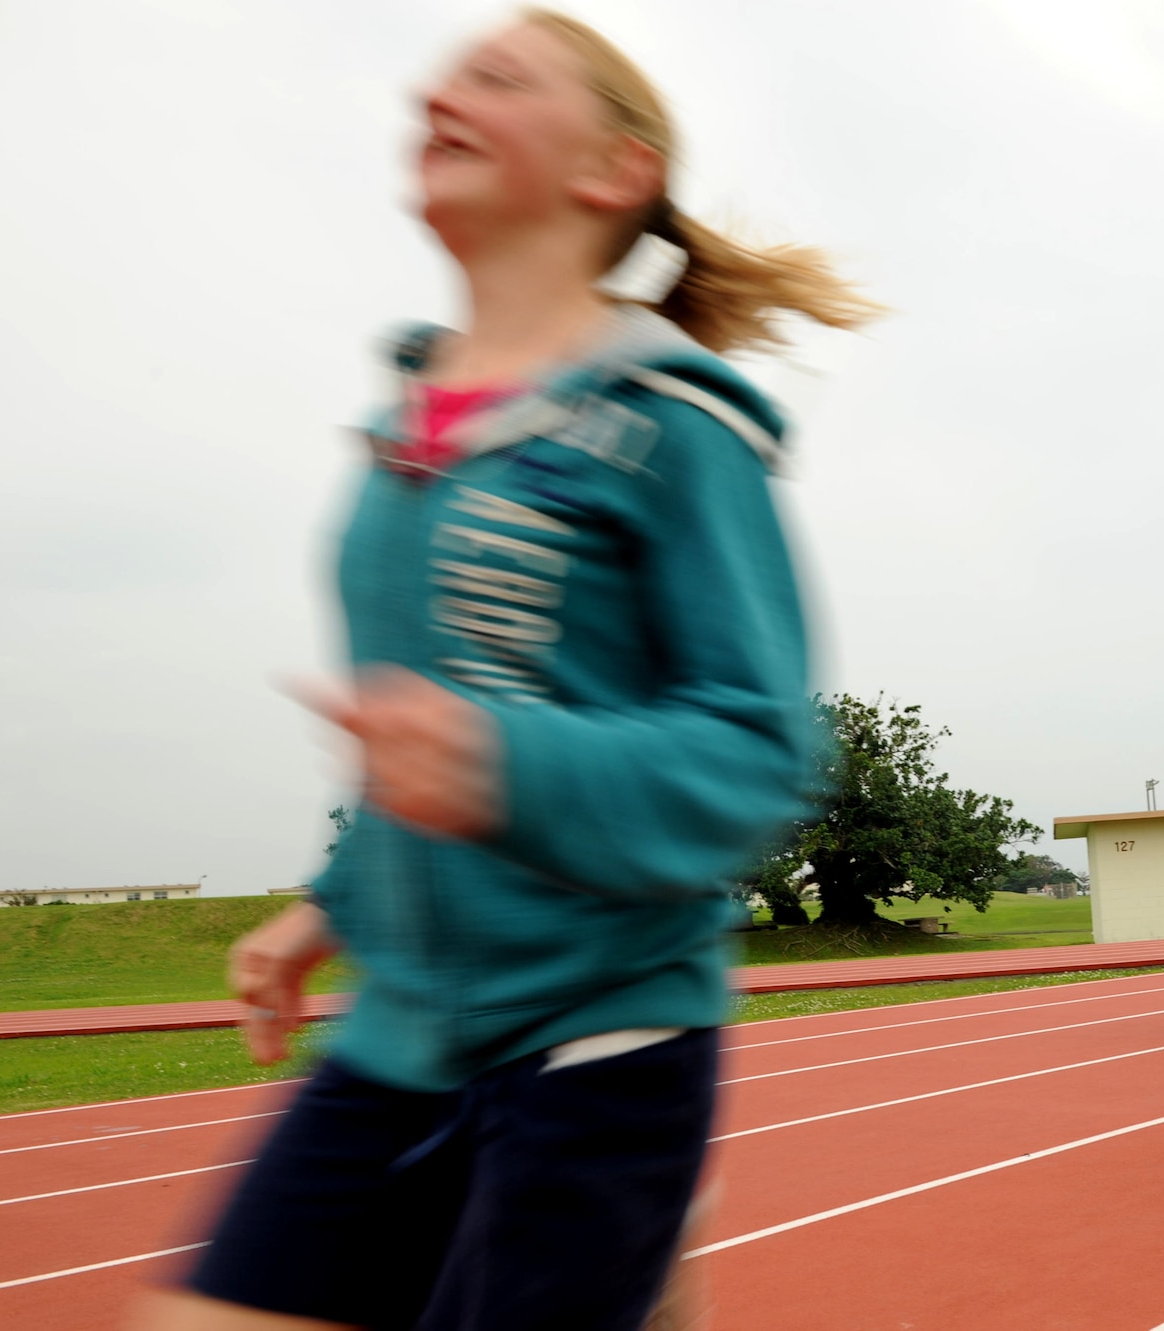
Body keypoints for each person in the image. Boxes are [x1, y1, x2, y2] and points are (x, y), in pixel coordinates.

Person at [131, 12, 876, 1329]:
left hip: (599, 1031)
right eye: (443, 72)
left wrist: (502, 763)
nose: (438, 90)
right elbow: (413, 753)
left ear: (611, 170)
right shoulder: (396, 442)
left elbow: (760, 747)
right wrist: (326, 908)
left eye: (497, 77)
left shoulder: (672, 428)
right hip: (404, 1030)